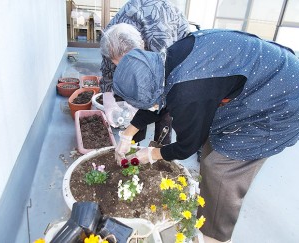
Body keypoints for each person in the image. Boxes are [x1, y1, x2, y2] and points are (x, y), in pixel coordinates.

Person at [112, 29, 299, 242]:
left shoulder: (187, 93)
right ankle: (209, 209)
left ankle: (215, 236)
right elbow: (157, 96)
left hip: (281, 100)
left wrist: (151, 153)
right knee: (213, 147)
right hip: (269, 74)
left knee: (221, 169)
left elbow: (187, 146)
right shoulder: (166, 61)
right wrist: (127, 135)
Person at [99, 0, 191, 145]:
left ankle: (160, 148)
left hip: (173, 48)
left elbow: (166, 85)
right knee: (135, 103)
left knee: (163, 110)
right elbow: (107, 70)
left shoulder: (160, 39)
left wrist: (150, 104)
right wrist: (109, 99)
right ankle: (133, 144)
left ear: (141, 47)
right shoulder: (110, 38)